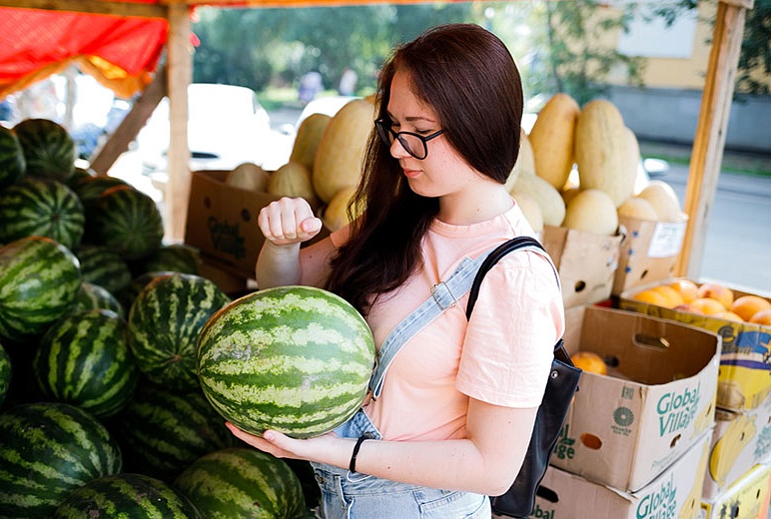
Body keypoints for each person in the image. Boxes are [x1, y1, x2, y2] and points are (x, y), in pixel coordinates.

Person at [228, 23, 565, 518]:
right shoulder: (400, 217)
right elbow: (285, 296)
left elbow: (493, 466)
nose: (396, 149)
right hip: (340, 498)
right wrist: (282, 243)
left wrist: (331, 451)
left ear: (480, 123)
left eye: (420, 132)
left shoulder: (514, 276)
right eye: (391, 126)